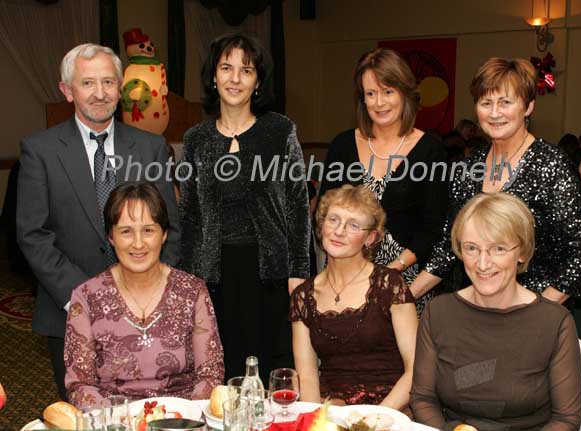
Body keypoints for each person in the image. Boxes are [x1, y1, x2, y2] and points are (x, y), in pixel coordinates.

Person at [16, 43, 180, 400]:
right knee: (84, 416)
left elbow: (172, 230)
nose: (100, 93)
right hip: (70, 314)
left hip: (145, 314)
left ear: (120, 88)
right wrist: (87, 297)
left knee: (145, 413)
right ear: (67, 90)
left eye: (109, 82)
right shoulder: (39, 151)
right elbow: (33, 235)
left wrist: (152, 295)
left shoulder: (150, 147)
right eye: (88, 83)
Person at [410, 57, 581, 305]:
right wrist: (405, 295)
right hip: (475, 308)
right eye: (486, 103)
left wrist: (536, 311)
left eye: (506, 102)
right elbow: (449, 247)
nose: (495, 113)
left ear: (528, 106)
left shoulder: (550, 164)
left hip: (534, 314)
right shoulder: (469, 167)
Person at [178, 33, 310, 383]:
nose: (235, 78)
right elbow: (189, 215)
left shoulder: (279, 131)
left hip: (270, 274)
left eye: (246, 70)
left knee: (273, 371)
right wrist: (187, 282)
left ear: (258, 81)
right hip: (214, 275)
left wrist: (299, 272)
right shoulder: (196, 139)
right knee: (220, 371)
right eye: (226, 68)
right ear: (213, 76)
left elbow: (298, 206)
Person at [410, 192, 581, 431]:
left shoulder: (554, 322)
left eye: (498, 248)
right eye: (471, 248)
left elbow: (566, 418)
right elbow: (423, 398)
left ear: (521, 252)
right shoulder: (438, 313)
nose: (482, 263)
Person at [64, 182, 223, 407]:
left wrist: (186, 416)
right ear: (111, 237)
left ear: (164, 234)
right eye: (126, 231)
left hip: (181, 420)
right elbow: (80, 385)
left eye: (148, 230)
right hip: (114, 422)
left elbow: (210, 373)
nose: (138, 244)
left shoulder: (192, 291)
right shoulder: (86, 297)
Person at [319, 48, 447, 314]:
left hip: (404, 281)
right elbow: (322, 215)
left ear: (405, 93)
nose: (379, 102)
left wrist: (390, 272)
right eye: (370, 94)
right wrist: (355, 271)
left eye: (388, 91)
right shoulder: (342, 146)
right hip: (344, 278)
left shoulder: (430, 150)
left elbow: (433, 228)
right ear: (362, 100)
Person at [291, 185, 417, 410]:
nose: (339, 231)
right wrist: (315, 421)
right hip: (331, 410)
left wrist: (374, 420)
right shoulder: (303, 296)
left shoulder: (389, 285)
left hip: (389, 409)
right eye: (333, 220)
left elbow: (415, 370)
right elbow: (308, 380)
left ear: (370, 238)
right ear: (321, 226)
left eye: (353, 225)